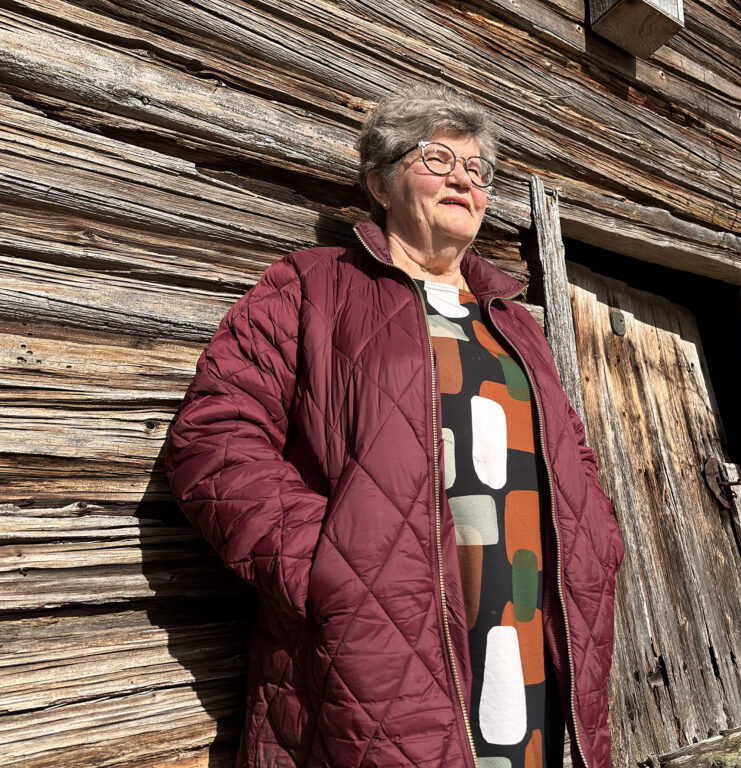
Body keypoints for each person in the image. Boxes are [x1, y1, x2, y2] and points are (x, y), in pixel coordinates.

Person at [166, 85, 624, 768]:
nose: (463, 180)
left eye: (478, 170)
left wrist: (599, 539)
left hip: (529, 619)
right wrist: (330, 567)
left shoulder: (513, 320)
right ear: (380, 183)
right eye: (437, 159)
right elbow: (215, 438)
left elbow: (569, 448)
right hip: (379, 630)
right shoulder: (313, 286)